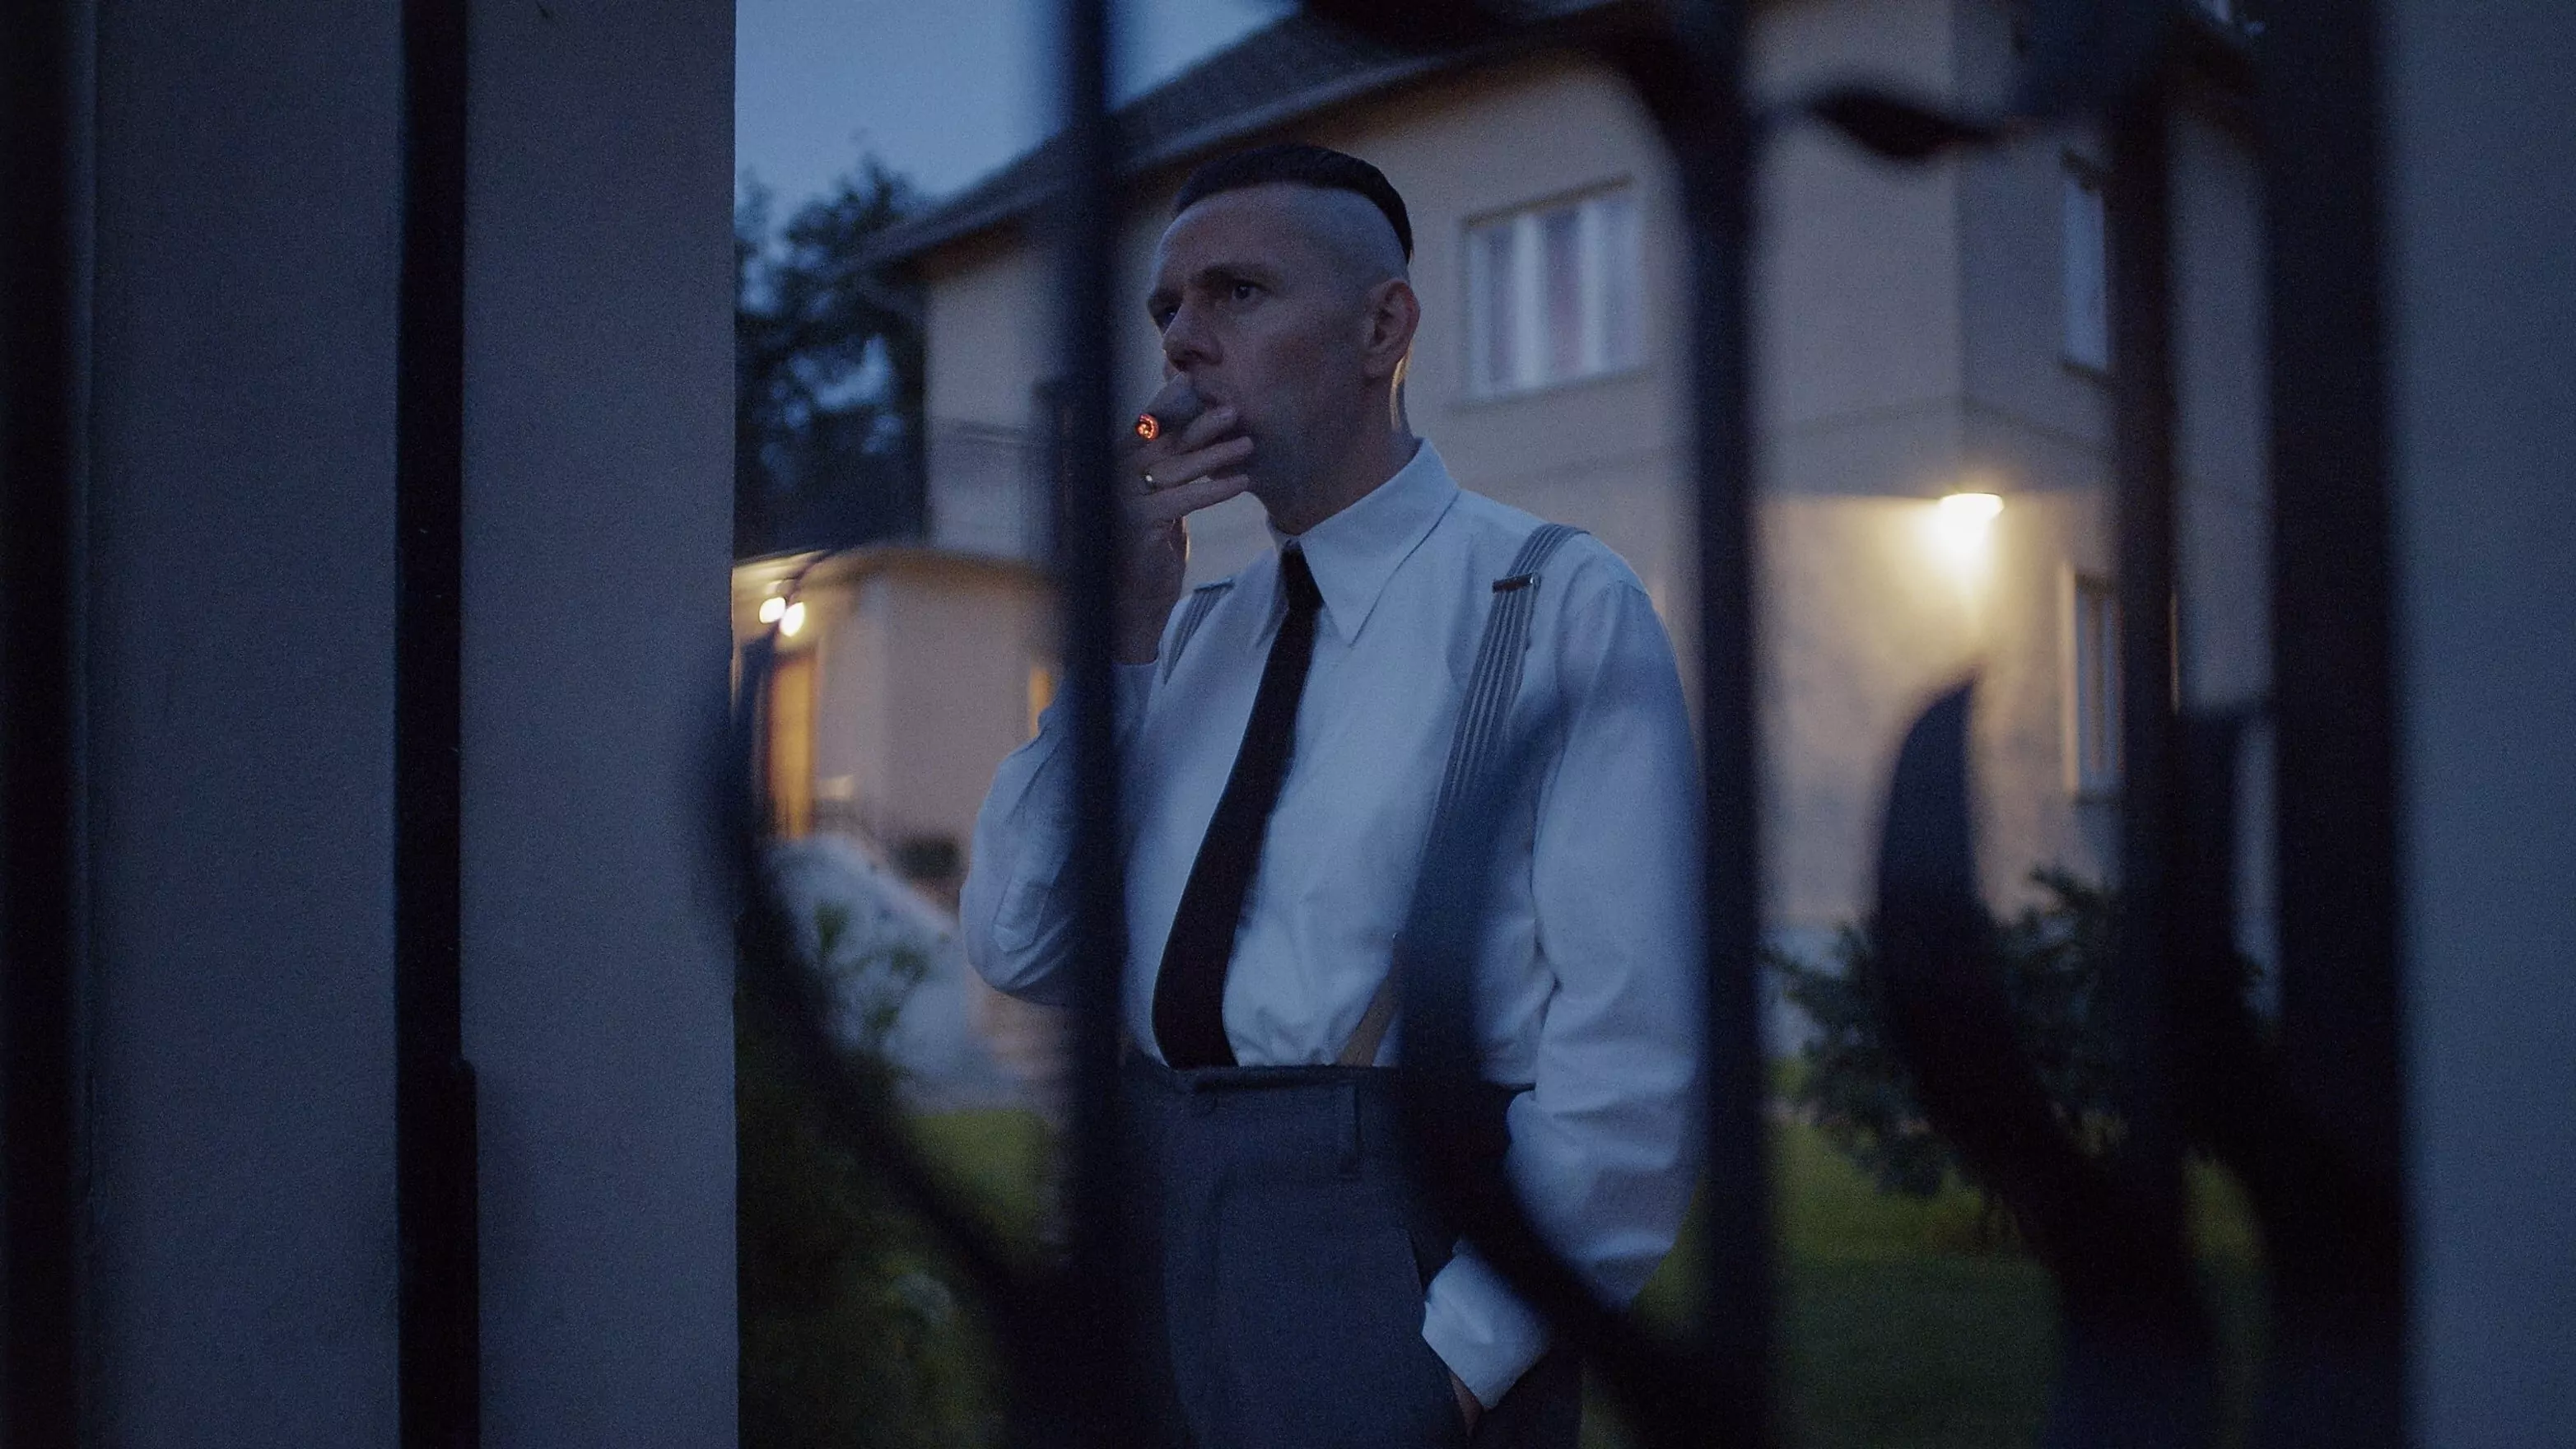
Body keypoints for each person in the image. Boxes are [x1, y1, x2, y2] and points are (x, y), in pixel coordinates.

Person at [962, 143, 1702, 1449]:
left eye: (1237, 294)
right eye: (1168, 308)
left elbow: (1634, 1048)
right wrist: (1117, 649)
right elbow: (1022, 943)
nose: (1183, 341)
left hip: (1393, 1266)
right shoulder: (1192, 637)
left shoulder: (1552, 600)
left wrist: (1459, 1364)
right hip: (1153, 1236)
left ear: (1382, 327)